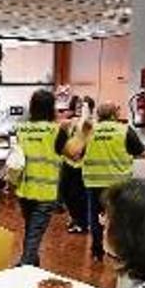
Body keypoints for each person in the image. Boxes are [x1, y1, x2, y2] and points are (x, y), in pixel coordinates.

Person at [81, 102, 145, 261]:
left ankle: (97, 251)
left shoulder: (88, 131)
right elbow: (142, 153)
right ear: (114, 114)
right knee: (119, 216)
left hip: (94, 181)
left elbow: (77, 153)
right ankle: (118, 249)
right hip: (119, 183)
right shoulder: (124, 130)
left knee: (95, 216)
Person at [15, 89, 69, 267]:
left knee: (31, 231)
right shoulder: (56, 131)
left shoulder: (22, 130)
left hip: (24, 190)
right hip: (45, 193)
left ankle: (32, 265)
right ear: (51, 108)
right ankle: (24, 269)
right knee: (34, 234)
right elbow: (74, 154)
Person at [59, 96, 95, 234]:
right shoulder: (71, 123)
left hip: (82, 165)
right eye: (78, 106)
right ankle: (75, 218)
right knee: (65, 192)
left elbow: (87, 135)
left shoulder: (90, 124)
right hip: (68, 162)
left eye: (84, 106)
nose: (80, 109)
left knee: (78, 195)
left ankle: (82, 222)